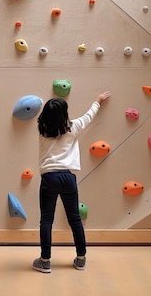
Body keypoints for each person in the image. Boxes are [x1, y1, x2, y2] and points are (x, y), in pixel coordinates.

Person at [32, 91, 111, 273]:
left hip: (49, 177)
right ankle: (81, 258)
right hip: (68, 178)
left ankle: (45, 261)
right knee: (75, 220)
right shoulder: (73, 127)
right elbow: (89, 116)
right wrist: (98, 100)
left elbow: (48, 120)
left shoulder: (42, 130)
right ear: (64, 114)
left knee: (46, 220)